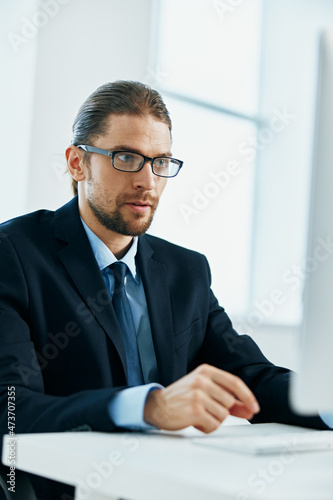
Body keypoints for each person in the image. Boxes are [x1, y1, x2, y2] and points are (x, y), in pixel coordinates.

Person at [0, 81, 330, 500]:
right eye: (126, 158)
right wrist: (148, 407)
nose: (147, 181)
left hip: (167, 485)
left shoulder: (186, 270)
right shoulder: (14, 254)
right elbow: (10, 409)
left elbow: (251, 377)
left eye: (161, 162)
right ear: (77, 163)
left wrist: (324, 402)